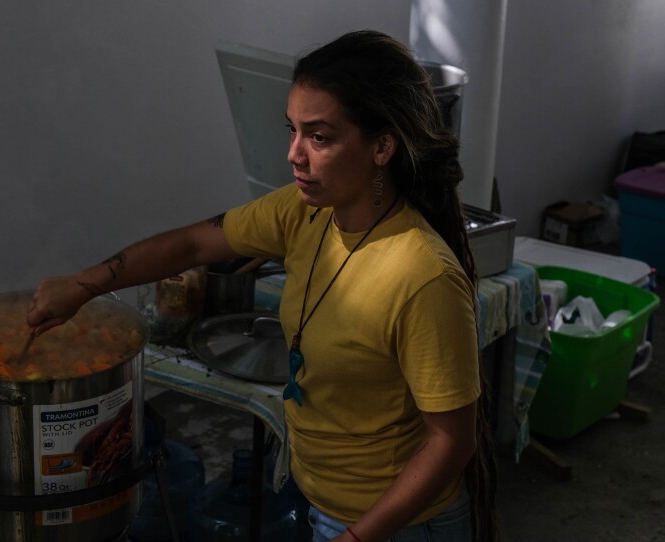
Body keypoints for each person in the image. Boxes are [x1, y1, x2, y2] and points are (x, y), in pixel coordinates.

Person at [27, 29, 498, 542]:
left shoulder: (423, 277)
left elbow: (451, 442)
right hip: (323, 497)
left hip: (397, 526)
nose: (294, 155)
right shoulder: (306, 214)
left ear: (382, 145)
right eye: (292, 130)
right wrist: (83, 285)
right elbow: (192, 246)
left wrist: (356, 538)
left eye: (319, 137)